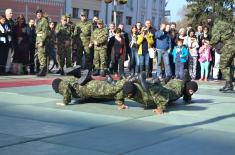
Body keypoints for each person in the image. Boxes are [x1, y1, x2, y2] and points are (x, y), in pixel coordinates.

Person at [127, 71, 198, 114]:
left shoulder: (185, 90)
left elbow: (187, 95)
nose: (191, 93)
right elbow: (166, 95)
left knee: (159, 88)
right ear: (188, 88)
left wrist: (188, 98)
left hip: (168, 86)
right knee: (164, 93)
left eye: (193, 92)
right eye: (191, 91)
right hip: (171, 90)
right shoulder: (180, 87)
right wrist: (161, 108)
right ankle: (145, 84)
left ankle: (142, 81)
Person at [52, 69, 129, 109]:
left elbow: (65, 89)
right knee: (110, 94)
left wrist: (65, 102)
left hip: (90, 88)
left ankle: (130, 79)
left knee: (114, 89)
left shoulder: (61, 84)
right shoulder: (69, 80)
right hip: (89, 88)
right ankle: (110, 80)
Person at [211, 20, 235, 92]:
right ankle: (228, 84)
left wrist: (210, 43)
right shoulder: (227, 23)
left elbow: (216, 38)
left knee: (223, 65)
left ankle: (229, 84)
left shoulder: (216, 25)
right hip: (233, 44)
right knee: (230, 65)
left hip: (229, 46)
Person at [35, 9, 49, 76]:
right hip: (38, 40)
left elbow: (45, 32)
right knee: (40, 55)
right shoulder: (38, 21)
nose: (38, 15)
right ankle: (42, 70)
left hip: (41, 41)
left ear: (42, 14)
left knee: (42, 56)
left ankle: (43, 70)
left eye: (39, 14)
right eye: (37, 14)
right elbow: (38, 33)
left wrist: (42, 41)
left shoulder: (44, 21)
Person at [5, 8, 15, 74]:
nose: (12, 14)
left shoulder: (12, 22)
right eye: (10, 13)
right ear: (6, 14)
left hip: (11, 42)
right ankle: (3, 69)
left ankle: (8, 70)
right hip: (4, 42)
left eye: (12, 13)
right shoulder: (3, 21)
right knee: (4, 56)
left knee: (10, 56)